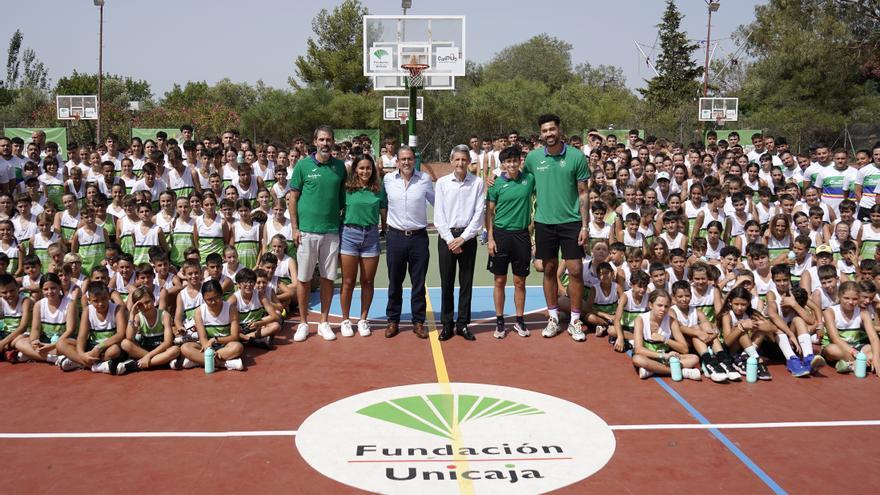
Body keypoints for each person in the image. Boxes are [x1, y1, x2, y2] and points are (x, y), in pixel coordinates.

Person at [523, 114, 590, 341]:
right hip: (544, 223)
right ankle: (552, 318)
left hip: (571, 223)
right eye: (545, 131)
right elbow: (521, 182)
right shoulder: (532, 159)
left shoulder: (576, 156)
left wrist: (585, 226)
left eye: (552, 129)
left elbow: (583, 192)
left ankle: (575, 320)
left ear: (559, 130)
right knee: (549, 270)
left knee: (576, 271)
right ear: (540, 134)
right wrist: (496, 180)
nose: (549, 134)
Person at [288, 125, 347, 342]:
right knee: (303, 279)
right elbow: (293, 198)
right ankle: (303, 323)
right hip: (306, 233)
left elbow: (342, 201)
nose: (325, 143)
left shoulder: (340, 167)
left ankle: (324, 322)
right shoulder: (302, 166)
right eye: (321, 139)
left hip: (331, 232)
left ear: (332, 142)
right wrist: (295, 228)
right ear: (315, 142)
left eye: (328, 139)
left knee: (328, 278)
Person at [434, 145, 485, 341]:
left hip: (467, 239)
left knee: (466, 283)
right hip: (447, 239)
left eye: (464, 159)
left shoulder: (477, 183)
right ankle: (447, 324)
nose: (460, 163)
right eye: (457, 159)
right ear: (451, 161)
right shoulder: (442, 183)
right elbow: (439, 216)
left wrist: (463, 238)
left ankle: (463, 324)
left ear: (469, 162)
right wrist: (450, 240)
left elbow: (478, 213)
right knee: (446, 282)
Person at [382, 146, 434, 339]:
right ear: (397, 162)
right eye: (402, 159)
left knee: (418, 282)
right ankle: (393, 320)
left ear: (414, 160)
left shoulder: (425, 180)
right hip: (395, 237)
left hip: (419, 238)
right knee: (395, 281)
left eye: (409, 159)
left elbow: (440, 201)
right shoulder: (388, 180)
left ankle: (418, 321)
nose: (406, 162)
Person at [486, 146, 535, 339]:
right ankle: (500, 321)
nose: (512, 164)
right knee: (499, 280)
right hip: (500, 236)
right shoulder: (496, 184)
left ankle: (520, 320)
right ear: (503, 164)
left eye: (515, 160)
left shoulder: (529, 180)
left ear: (520, 161)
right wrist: (490, 238)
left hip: (521, 236)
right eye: (508, 162)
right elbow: (489, 212)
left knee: (519, 281)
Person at [339, 154, 386, 338]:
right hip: (349, 235)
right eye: (361, 168)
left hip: (371, 236)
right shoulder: (346, 189)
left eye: (368, 168)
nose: (365, 171)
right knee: (348, 282)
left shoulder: (378, 189)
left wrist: (386, 228)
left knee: (367, 281)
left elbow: (384, 211)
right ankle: (345, 320)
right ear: (355, 169)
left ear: (373, 170)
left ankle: (363, 319)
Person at [632, 289, 702, 380]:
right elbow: (638, 349)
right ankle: (682, 372)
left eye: (666, 306)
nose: (663, 309)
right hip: (650, 357)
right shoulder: (640, 320)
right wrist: (662, 356)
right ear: (650, 305)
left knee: (694, 358)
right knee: (637, 359)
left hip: (667, 359)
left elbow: (684, 349)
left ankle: (652, 370)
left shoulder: (671, 321)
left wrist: (665, 339)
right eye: (659, 305)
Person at [179, 279, 244, 371]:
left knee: (238, 347)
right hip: (206, 347)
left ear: (221, 294)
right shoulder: (199, 312)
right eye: (209, 300)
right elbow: (203, 338)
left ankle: (198, 361)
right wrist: (209, 349)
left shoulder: (231, 309)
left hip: (225, 345)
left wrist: (216, 340)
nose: (213, 302)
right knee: (185, 348)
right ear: (203, 298)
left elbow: (235, 336)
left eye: (216, 298)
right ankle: (224, 363)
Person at [117, 285, 180, 373]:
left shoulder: (164, 315)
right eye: (140, 305)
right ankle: (162, 361)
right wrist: (131, 314)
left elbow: (167, 342)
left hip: (161, 349)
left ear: (153, 299)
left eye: (147, 302)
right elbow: (130, 337)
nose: (145, 306)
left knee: (175, 350)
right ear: (137, 306)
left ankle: (136, 365)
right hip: (144, 350)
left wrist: (148, 356)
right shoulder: (138, 317)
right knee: (125, 343)